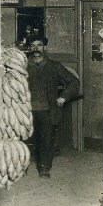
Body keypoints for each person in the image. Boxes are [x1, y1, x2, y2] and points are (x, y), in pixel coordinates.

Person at [26, 36, 79, 178]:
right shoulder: (23, 65)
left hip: (47, 110)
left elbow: (74, 82)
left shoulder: (54, 66)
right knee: (24, 139)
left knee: (46, 139)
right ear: (29, 48)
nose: (36, 48)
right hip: (26, 110)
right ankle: (21, 166)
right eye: (32, 45)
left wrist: (64, 96)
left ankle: (44, 168)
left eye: (39, 45)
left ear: (45, 47)